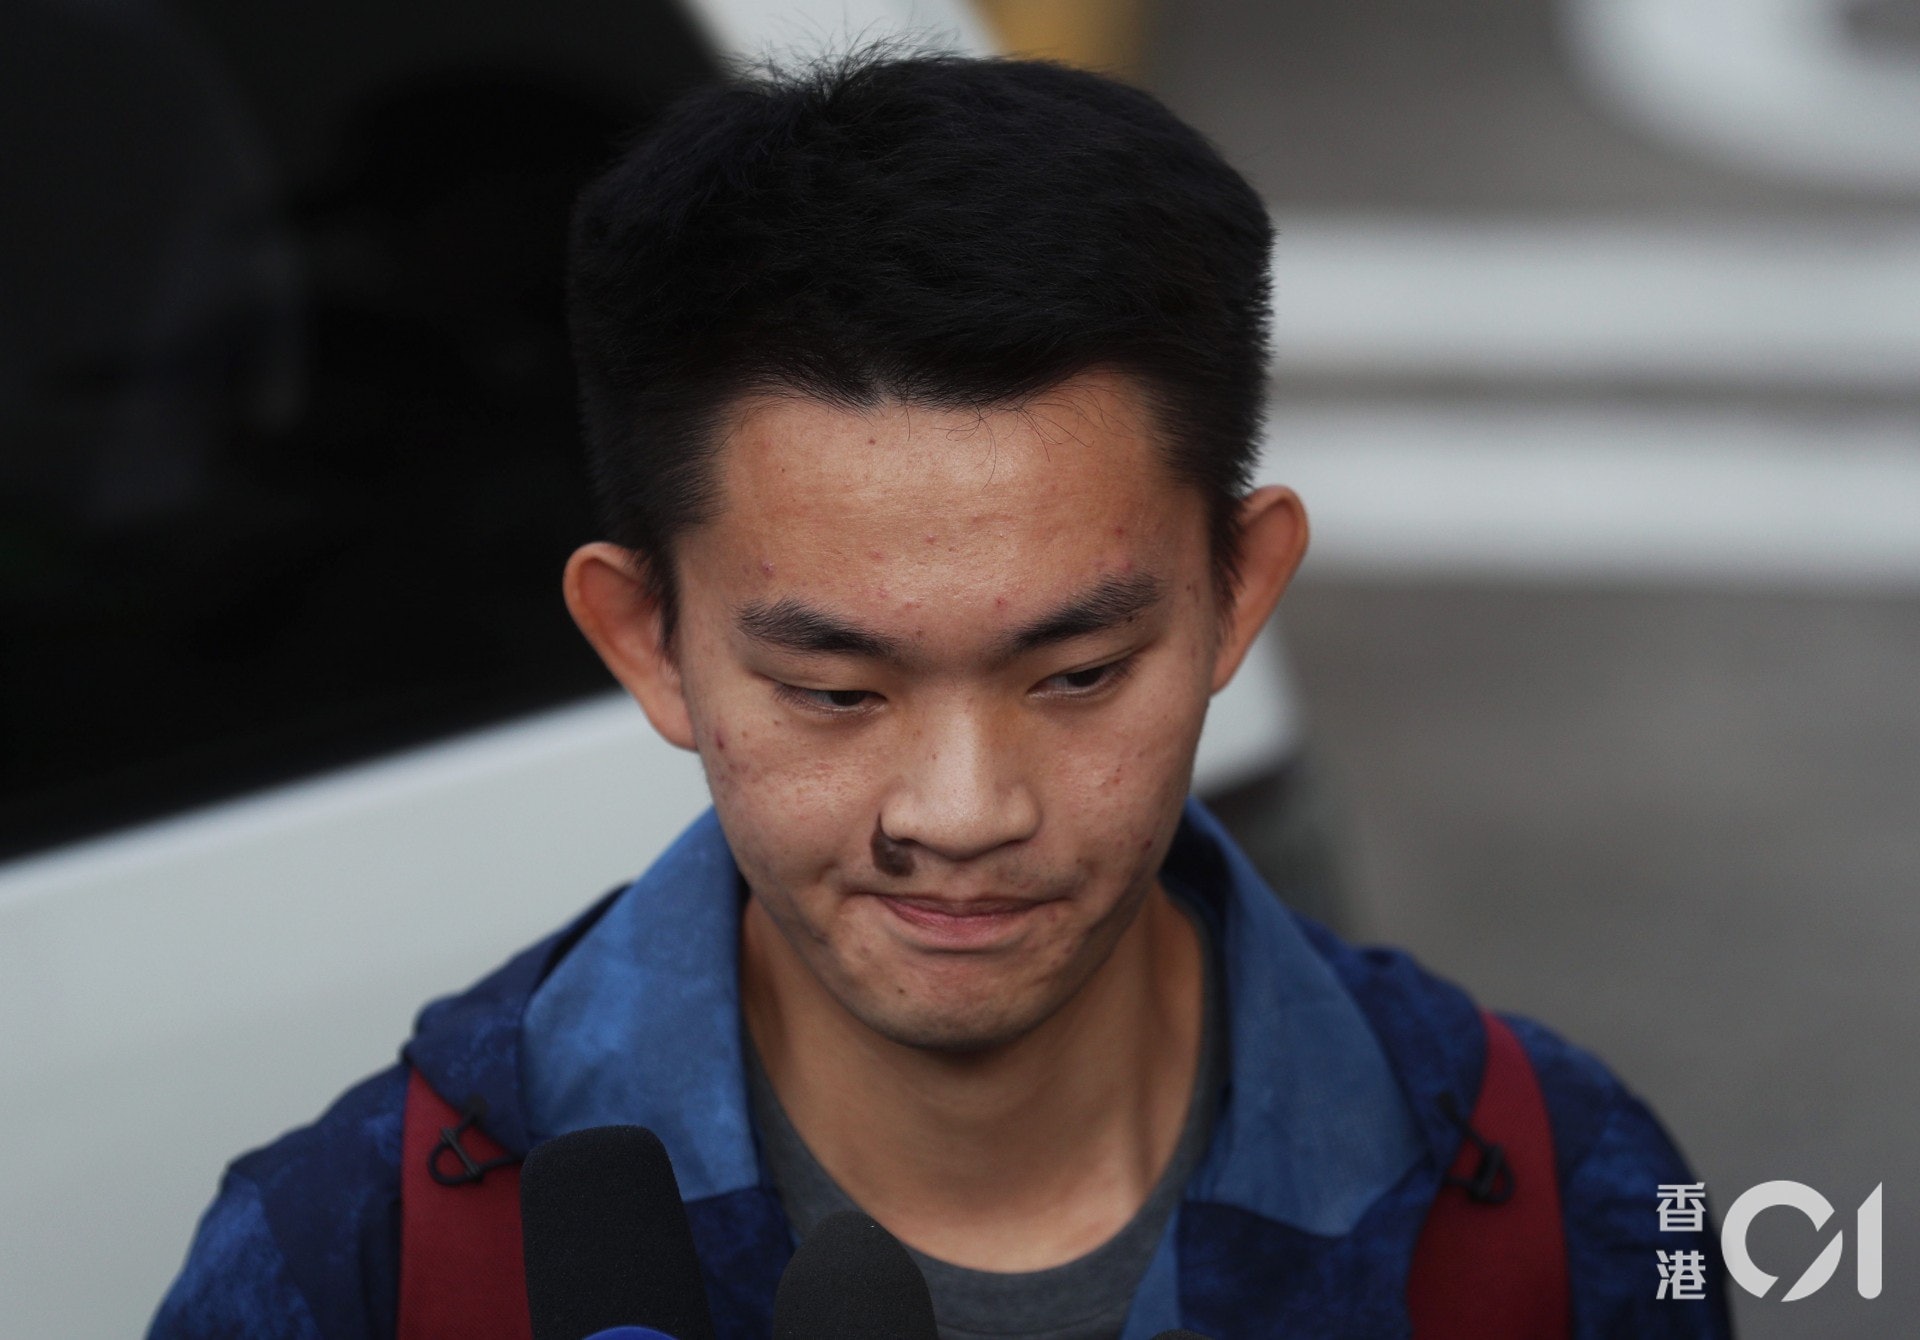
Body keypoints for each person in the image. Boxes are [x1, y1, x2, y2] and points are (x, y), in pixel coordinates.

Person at [150, 49, 1731, 1339]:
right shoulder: (349, 1268)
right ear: (647, 642)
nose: (964, 812)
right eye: (835, 689)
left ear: (1239, 595)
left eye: (1079, 673)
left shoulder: (1576, 1198)